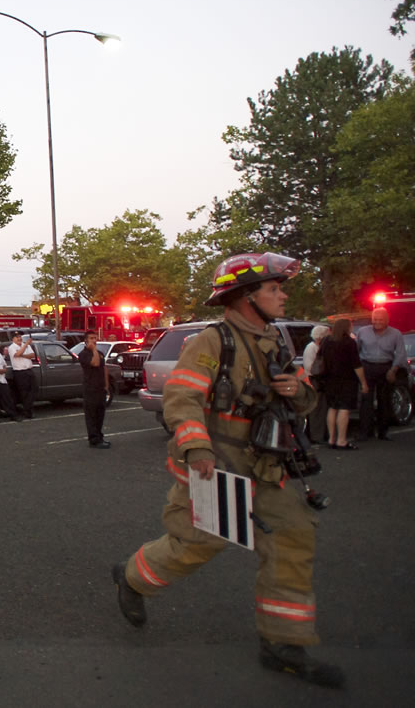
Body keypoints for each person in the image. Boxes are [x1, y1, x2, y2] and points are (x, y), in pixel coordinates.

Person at [112, 252, 344, 688]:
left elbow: (306, 396)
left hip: (267, 466)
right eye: (273, 288)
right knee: (197, 544)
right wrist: (197, 448)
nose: (282, 294)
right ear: (244, 297)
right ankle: (131, 577)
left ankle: (282, 645)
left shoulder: (275, 341)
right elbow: (181, 399)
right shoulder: (212, 342)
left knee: (293, 538)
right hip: (217, 465)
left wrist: (297, 389)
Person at [356, 308, 404, 441]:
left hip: (386, 367)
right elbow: (356, 350)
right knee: (366, 401)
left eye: (380, 320)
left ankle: (384, 431)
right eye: (375, 319)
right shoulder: (362, 332)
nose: (377, 322)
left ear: (387, 320)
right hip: (367, 366)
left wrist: (393, 370)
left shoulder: (396, 334)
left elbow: (400, 354)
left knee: (385, 400)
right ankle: (365, 432)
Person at [319, 319, 367, 450]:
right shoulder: (349, 343)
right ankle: (342, 440)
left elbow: (320, 358)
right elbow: (356, 364)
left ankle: (331, 439)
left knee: (332, 408)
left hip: (329, 380)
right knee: (344, 409)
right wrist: (363, 383)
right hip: (346, 380)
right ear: (347, 328)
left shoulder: (326, 341)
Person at [77, 331, 110, 448]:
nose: (94, 340)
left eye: (95, 338)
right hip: (90, 388)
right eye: (91, 338)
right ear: (86, 340)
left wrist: (106, 385)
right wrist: (94, 350)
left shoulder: (100, 353)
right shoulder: (83, 354)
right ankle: (94, 439)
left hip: (100, 388)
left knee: (100, 414)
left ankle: (100, 436)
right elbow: (95, 363)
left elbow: (104, 368)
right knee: (91, 415)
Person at [302, 325, 330, 443]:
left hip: (317, 380)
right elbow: (310, 367)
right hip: (314, 380)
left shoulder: (316, 347)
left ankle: (320, 434)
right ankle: (316, 435)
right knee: (317, 409)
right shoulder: (312, 348)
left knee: (321, 408)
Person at [7, 334, 37, 419]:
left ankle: (27, 408)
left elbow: (32, 355)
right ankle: (27, 411)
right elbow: (17, 354)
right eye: (17, 337)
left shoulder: (25, 345)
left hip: (29, 370)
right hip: (20, 372)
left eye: (20, 337)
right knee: (24, 392)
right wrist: (26, 345)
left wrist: (23, 355)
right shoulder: (12, 347)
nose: (19, 339)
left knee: (34, 389)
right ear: (13, 339)